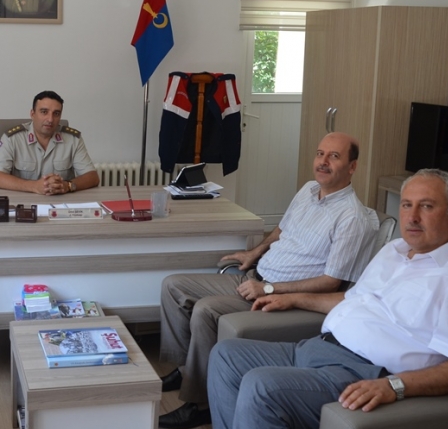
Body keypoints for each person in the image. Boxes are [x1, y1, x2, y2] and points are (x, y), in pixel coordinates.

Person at [207, 168, 448, 429]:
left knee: (262, 386)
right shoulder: (394, 251)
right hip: (316, 348)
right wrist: (294, 298)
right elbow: (351, 300)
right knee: (226, 355)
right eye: (406, 205)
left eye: (426, 206)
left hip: (361, 372)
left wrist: (394, 386)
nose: (413, 217)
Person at [158, 132, 379, 429]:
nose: (323, 161)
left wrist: (268, 288)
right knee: (174, 285)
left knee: (205, 310)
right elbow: (281, 230)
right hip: (255, 275)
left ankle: (199, 404)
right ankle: (189, 370)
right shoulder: (309, 189)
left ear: (352, 167)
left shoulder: (352, 218)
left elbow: (330, 282)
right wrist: (254, 252)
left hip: (277, 294)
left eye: (334, 156)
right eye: (320, 153)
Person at [0, 90, 99, 195]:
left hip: (60, 202)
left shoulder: (73, 139)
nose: (50, 119)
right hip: (24, 202)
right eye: (44, 112)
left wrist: (68, 185)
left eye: (56, 113)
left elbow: (92, 177)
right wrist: (34, 186)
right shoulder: (13, 139)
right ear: (32, 114)